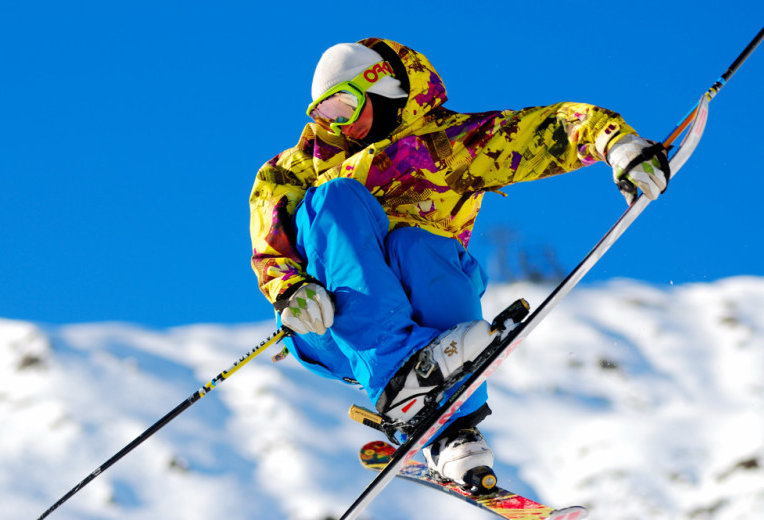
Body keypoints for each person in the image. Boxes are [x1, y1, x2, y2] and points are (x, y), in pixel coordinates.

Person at [249, 38, 669, 487]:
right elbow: (269, 226)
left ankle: (453, 433)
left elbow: (543, 129)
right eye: (324, 116)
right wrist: (289, 286)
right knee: (337, 197)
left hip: (428, 324)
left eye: (344, 108)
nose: (338, 127)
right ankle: (398, 376)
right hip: (332, 325)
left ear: (384, 88)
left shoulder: (449, 145)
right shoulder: (300, 168)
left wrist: (616, 143)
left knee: (420, 246)